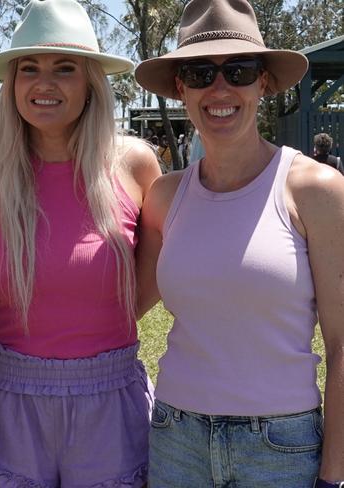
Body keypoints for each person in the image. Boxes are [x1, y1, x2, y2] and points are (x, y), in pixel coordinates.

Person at [134, 0, 344, 485]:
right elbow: (123, 308)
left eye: (240, 70)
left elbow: (341, 344)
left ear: (263, 82)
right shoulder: (165, 196)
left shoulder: (313, 190)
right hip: (174, 437)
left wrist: (334, 475)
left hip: (280, 448)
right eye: (201, 72)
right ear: (181, 88)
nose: (220, 88)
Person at [0, 0, 160, 486]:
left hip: (110, 396)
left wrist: (89, 323)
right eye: (29, 69)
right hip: (10, 396)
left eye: (64, 68)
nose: (44, 83)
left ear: (91, 82)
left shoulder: (135, 164)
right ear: (12, 84)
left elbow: (148, 283)